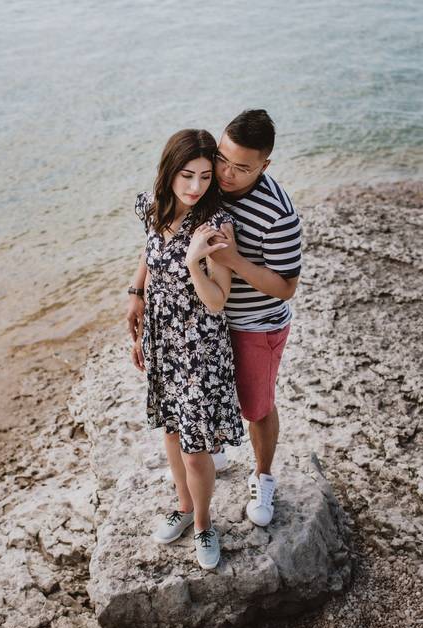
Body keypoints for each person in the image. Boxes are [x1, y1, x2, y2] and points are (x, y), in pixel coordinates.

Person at [127, 110, 301, 529]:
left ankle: (262, 476)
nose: (225, 173)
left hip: (256, 321)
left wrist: (231, 259)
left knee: (256, 407)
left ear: (264, 165)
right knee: (195, 420)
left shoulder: (278, 216)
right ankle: (205, 456)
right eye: (223, 159)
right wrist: (136, 291)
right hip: (201, 326)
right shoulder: (203, 186)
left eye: (242, 167)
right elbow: (158, 237)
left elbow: (285, 287)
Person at [129, 129, 244, 570]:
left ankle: (203, 523)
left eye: (204, 176)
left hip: (200, 349)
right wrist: (134, 292)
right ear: (169, 172)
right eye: (187, 175)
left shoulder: (214, 228)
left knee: (197, 447)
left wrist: (196, 258)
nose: (196, 187)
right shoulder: (152, 207)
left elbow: (218, 301)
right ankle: (181, 505)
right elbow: (149, 249)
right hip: (163, 338)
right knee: (172, 432)